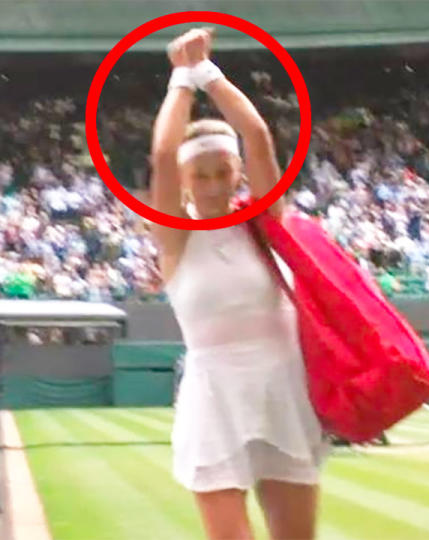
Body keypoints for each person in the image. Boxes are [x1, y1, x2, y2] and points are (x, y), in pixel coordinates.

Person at [150, 29, 328, 540]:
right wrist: (182, 78)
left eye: (221, 172)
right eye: (199, 175)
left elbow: (258, 138)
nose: (211, 184)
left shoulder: (265, 223)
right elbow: (163, 155)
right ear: (185, 182)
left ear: (237, 175)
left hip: (283, 392)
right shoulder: (174, 236)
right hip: (214, 399)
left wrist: (209, 71)